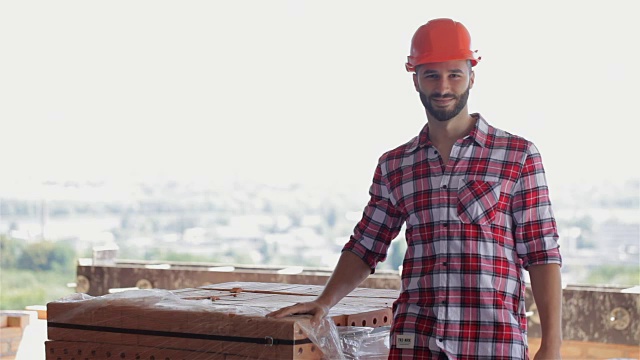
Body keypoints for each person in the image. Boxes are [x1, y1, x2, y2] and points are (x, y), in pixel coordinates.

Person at [267, 18, 562, 360]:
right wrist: (323, 302)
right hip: (416, 344)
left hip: (490, 343)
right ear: (415, 79)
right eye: (431, 75)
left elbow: (542, 254)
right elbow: (365, 246)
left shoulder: (517, 156)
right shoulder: (396, 165)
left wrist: (551, 345)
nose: (443, 87)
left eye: (454, 74)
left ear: (472, 76)